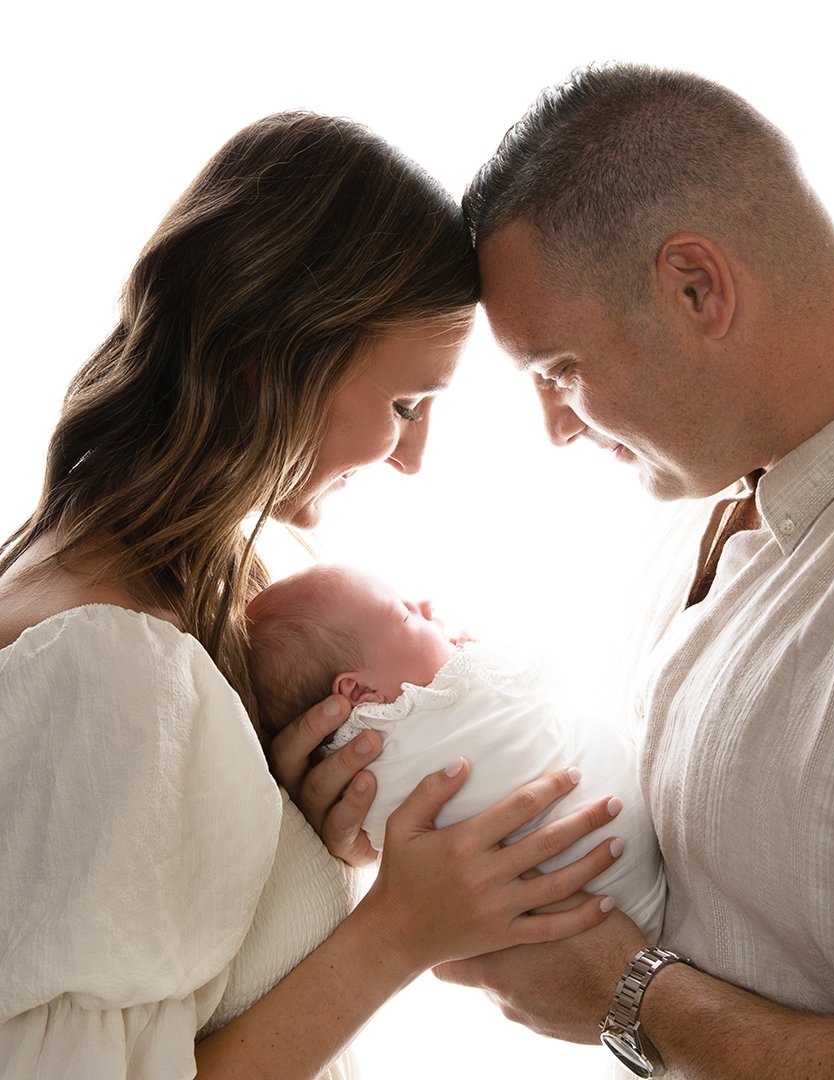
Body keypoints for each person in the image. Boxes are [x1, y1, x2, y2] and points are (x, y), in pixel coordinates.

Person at [431, 63, 834, 1078]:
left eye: (561, 371)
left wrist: (624, 995)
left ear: (698, 287)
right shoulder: (729, 476)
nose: (557, 428)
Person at [0, 112, 625, 1080]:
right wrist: (396, 935)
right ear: (266, 363)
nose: (413, 458)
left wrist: (327, 838)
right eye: (407, 405)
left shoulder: (203, 595)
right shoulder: (110, 667)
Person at [246, 563, 666, 941]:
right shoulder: (441, 706)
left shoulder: (355, 785)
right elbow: (535, 672)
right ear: (358, 691)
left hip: (588, 922)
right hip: (624, 863)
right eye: (402, 613)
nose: (425, 605)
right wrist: (475, 661)